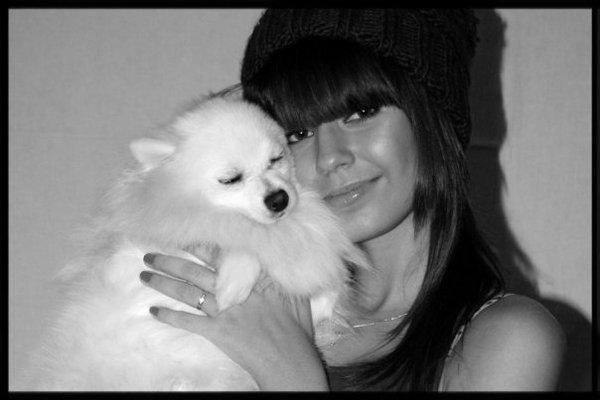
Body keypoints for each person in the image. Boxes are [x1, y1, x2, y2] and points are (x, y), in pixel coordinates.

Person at [139, 9, 565, 391]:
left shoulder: (507, 339)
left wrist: (290, 371)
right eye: (298, 133)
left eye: (360, 114)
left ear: (434, 117)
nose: (330, 157)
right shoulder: (253, 301)